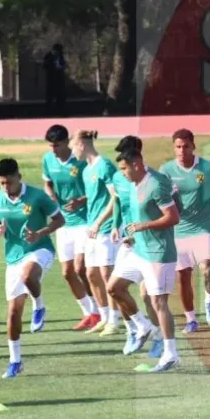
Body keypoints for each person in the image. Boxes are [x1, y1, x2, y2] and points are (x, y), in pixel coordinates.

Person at [0, 158, 65, 377]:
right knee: (13, 313)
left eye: (8, 182)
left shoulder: (37, 196)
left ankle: (39, 305)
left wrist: (40, 233)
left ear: (18, 178)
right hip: (13, 256)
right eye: (1, 183)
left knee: (28, 276)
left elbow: (59, 220)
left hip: (40, 249)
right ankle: (15, 361)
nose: (5, 187)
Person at [107, 149, 181, 372]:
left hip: (159, 253)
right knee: (114, 287)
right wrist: (133, 235)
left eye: (124, 168)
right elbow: (140, 215)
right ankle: (142, 326)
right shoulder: (132, 184)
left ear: (136, 164)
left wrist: (143, 227)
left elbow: (173, 217)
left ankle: (171, 354)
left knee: (159, 303)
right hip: (138, 249)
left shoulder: (156, 184)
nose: (122, 173)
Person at [160, 129, 210, 332]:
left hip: (204, 227)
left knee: (208, 267)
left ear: (193, 146)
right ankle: (191, 319)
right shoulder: (166, 171)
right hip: (179, 230)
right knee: (183, 276)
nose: (182, 150)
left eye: (186, 146)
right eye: (178, 147)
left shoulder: (207, 168)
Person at [109, 136, 161, 356]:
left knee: (147, 296)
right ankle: (135, 328)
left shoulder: (154, 179)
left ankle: (159, 337)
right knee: (115, 289)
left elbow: (166, 213)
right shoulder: (119, 177)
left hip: (148, 243)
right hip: (128, 241)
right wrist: (115, 225)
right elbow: (118, 202)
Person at [41, 124, 97, 330]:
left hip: (84, 221)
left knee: (81, 267)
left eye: (56, 145)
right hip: (64, 223)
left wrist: (81, 201)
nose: (53, 149)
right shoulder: (47, 159)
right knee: (67, 272)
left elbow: (95, 189)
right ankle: (90, 312)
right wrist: (51, 196)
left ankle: (102, 309)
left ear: (66, 142)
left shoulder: (80, 161)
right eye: (50, 145)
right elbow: (47, 183)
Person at [72, 130, 119, 334]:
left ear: (82, 145)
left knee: (107, 274)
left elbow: (114, 197)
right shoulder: (85, 170)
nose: (72, 152)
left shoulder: (105, 165)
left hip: (105, 228)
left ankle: (115, 320)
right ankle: (105, 315)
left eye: (73, 146)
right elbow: (93, 199)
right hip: (91, 229)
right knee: (91, 274)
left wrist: (100, 222)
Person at [42, 43, 67, 114]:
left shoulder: (61, 56)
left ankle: (61, 111)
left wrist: (61, 68)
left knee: (61, 97)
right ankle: (48, 112)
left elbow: (63, 64)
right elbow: (44, 65)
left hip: (59, 79)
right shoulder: (49, 56)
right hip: (52, 79)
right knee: (50, 97)